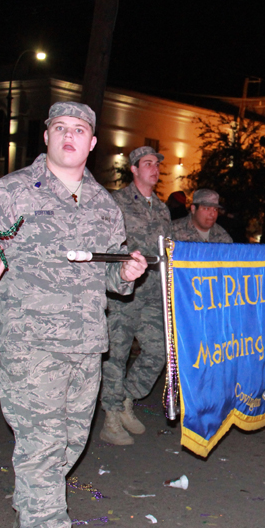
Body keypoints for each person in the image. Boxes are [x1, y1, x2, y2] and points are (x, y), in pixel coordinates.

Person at [0, 102, 147, 528]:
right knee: (40, 446)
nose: (69, 136)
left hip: (86, 344)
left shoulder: (106, 205)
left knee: (68, 444)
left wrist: (125, 273)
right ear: (46, 137)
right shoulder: (15, 191)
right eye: (59, 128)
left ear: (92, 143)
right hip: (30, 342)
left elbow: (110, 272)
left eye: (79, 130)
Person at [100, 146, 172, 447]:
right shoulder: (115, 203)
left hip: (153, 294)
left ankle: (127, 397)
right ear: (133, 169)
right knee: (116, 355)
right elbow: (105, 245)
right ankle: (111, 417)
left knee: (159, 351)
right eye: (147, 163)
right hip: (124, 294)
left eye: (157, 164)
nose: (154, 168)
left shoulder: (163, 208)